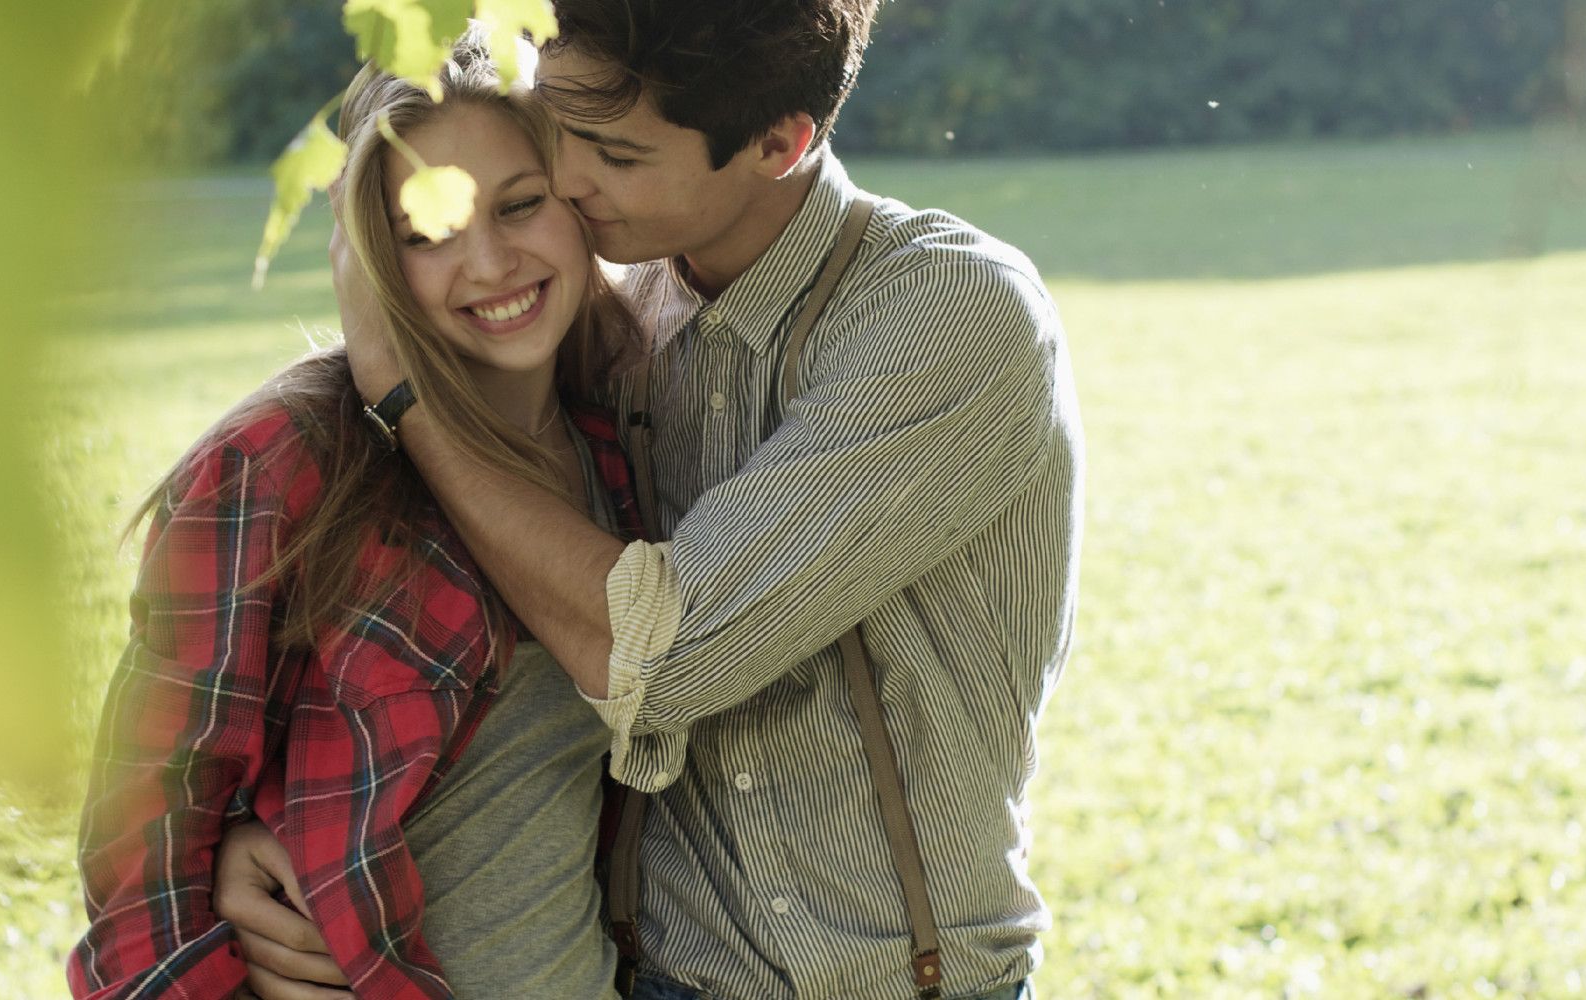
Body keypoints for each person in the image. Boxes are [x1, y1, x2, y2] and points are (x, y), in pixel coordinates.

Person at [217, 2, 1084, 999]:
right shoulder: (611, 325)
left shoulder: (949, 312)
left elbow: (658, 660)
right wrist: (262, 831)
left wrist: (402, 397)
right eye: (561, 130)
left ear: (779, 143)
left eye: (617, 155)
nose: (569, 178)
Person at [65, 38, 650, 1000]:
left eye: (520, 205)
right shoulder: (280, 463)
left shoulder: (623, 432)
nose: (490, 262)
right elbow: (143, 855)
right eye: (427, 233)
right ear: (370, 253)